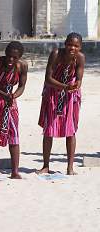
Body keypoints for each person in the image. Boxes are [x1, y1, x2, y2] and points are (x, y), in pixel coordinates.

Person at [37, 32, 85, 175]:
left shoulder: (80, 58)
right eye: (70, 44)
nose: (72, 48)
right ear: (65, 44)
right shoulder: (56, 54)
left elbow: (79, 78)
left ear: (80, 47)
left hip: (70, 96)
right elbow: (48, 78)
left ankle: (70, 167)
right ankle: (46, 165)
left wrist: (76, 84)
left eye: (76, 46)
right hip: (53, 92)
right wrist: (64, 87)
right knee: (49, 129)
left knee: (70, 130)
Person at [0, 41, 28, 179]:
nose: (10, 60)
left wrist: (14, 96)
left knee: (13, 133)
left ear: (19, 57)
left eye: (14, 58)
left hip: (9, 100)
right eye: (8, 56)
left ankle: (14, 171)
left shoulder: (22, 66)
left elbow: (21, 86)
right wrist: (4, 95)